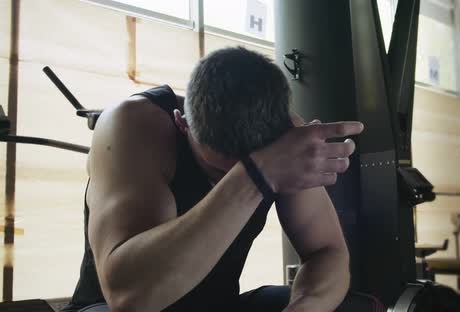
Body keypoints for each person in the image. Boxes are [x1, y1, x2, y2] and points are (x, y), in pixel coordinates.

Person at [61, 47, 364, 312]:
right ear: (182, 124)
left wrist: (305, 307)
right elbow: (131, 298)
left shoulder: (287, 139)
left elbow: (327, 251)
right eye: (219, 172)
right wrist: (254, 176)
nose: (226, 181)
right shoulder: (133, 124)